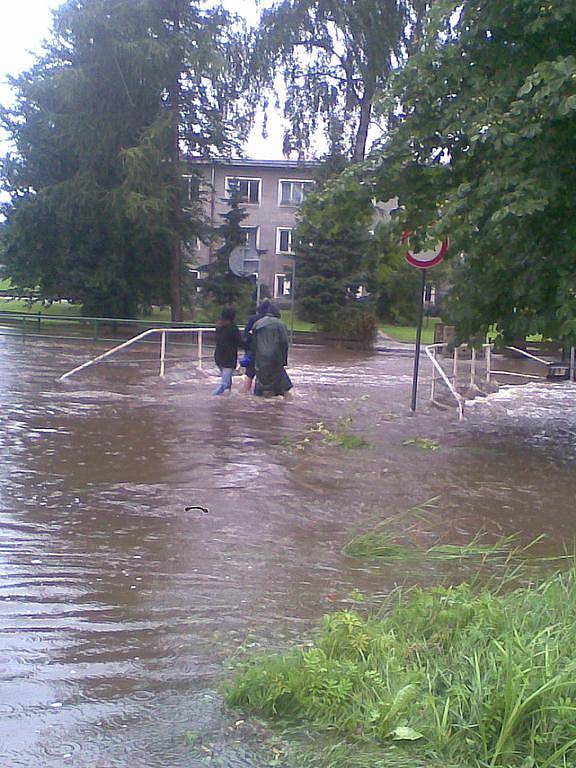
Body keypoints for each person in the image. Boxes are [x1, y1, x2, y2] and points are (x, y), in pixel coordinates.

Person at [252, 300, 293, 397]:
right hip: (275, 357)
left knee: (261, 380)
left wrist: (254, 357)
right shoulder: (280, 324)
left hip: (260, 357)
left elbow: (253, 342)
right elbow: (284, 343)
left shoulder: (257, 323)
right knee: (279, 381)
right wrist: (284, 360)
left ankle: (259, 399)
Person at [213, 307, 242, 396]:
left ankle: (226, 401)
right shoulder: (233, 328)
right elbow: (239, 342)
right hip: (228, 359)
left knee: (227, 382)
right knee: (224, 383)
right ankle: (213, 397)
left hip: (218, 357)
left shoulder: (219, 327)